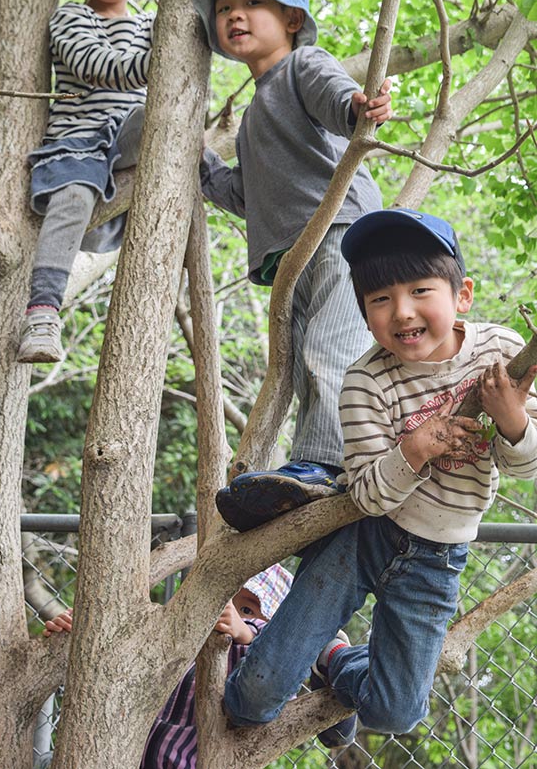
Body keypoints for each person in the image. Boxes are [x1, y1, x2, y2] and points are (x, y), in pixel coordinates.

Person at [221, 208, 537, 743]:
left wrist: (512, 420)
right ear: (365, 315)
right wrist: (413, 450)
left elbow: (526, 468)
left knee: (396, 714)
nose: (402, 311)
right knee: (250, 702)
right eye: (381, 299)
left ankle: (336, 661)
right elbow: (366, 495)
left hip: (437, 556)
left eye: (420, 291)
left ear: (462, 295)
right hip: (362, 534)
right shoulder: (366, 380)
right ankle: (295, 655)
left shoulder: (501, 353)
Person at [190, 0, 393, 531]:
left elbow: (337, 96)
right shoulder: (255, 113)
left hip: (340, 234)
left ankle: (326, 463)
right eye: (224, 9)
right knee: (305, 368)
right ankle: (316, 471)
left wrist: (358, 108)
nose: (235, 15)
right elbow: (246, 195)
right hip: (290, 260)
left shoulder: (303, 65)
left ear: (293, 19)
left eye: (253, 3)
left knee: (331, 350)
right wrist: (193, 158)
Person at [17, 0, 161, 363]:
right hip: (78, 145)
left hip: (125, 142)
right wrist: (160, 55)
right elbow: (101, 67)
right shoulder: (71, 18)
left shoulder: (150, 25)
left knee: (166, 123)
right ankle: (42, 313)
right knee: (74, 195)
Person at [41, 564, 293, 768]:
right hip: (119, 755)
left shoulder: (248, 665)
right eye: (224, 601)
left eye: (246, 610)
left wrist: (244, 632)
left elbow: (275, 669)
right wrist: (76, 630)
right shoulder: (169, 646)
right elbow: (116, 652)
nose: (227, 612)